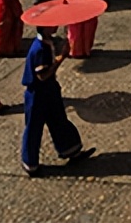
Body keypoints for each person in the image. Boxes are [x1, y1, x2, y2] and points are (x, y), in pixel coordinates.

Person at [21, 26, 93, 176]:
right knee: (34, 127)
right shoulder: (39, 49)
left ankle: (70, 149)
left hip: (49, 90)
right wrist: (62, 58)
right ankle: (30, 163)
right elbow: (42, 76)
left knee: (58, 119)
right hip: (38, 93)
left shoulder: (47, 42)